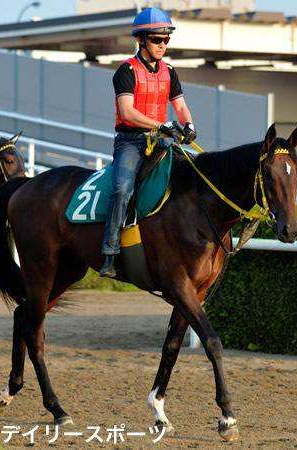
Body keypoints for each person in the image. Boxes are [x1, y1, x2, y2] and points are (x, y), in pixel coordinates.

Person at [99, 7, 197, 278]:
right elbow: (128, 112)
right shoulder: (125, 71)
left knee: (191, 178)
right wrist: (161, 126)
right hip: (130, 142)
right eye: (157, 39)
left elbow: (180, 106)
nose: (163, 45)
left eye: (166, 39)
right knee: (122, 191)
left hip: (161, 141)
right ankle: (110, 253)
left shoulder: (170, 71)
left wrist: (189, 124)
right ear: (141, 39)